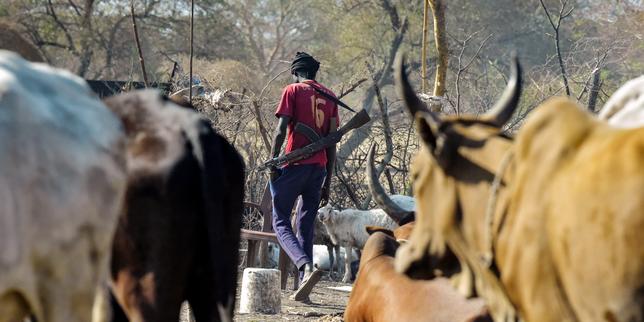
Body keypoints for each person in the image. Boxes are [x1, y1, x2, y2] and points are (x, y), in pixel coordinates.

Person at [269, 52, 338, 302]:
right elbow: (332, 144)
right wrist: (327, 181)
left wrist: (273, 161)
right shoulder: (329, 96)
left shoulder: (293, 90)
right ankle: (303, 288)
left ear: (296, 73)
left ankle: (303, 266)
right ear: (315, 73)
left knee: (280, 221)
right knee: (305, 227)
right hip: (319, 169)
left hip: (295, 165)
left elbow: (280, 131)